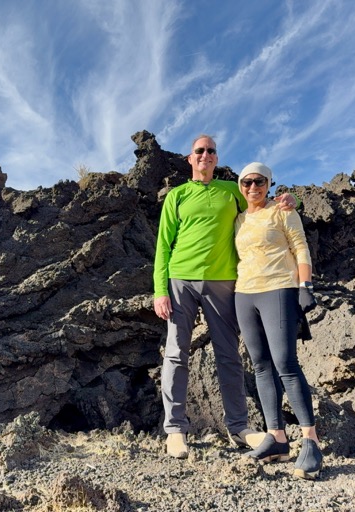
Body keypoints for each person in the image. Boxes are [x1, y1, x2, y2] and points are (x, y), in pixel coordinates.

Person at [153, 135, 298, 459]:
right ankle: (175, 429)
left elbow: (264, 204)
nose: (205, 154)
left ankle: (239, 427)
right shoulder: (177, 196)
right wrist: (160, 290)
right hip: (181, 280)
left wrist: (290, 201)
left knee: (229, 355)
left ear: (217, 159)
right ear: (190, 159)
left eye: (211, 151)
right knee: (177, 353)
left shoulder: (231, 190)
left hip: (224, 282)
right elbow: (163, 246)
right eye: (199, 151)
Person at [234, 162, 322, 480]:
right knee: (260, 365)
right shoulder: (239, 219)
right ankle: (277, 439)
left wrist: (305, 286)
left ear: (269, 183)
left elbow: (300, 248)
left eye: (259, 182)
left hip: (279, 289)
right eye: (246, 182)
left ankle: (310, 441)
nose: (253, 187)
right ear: (240, 186)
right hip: (244, 295)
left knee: (285, 362)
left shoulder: (283, 210)